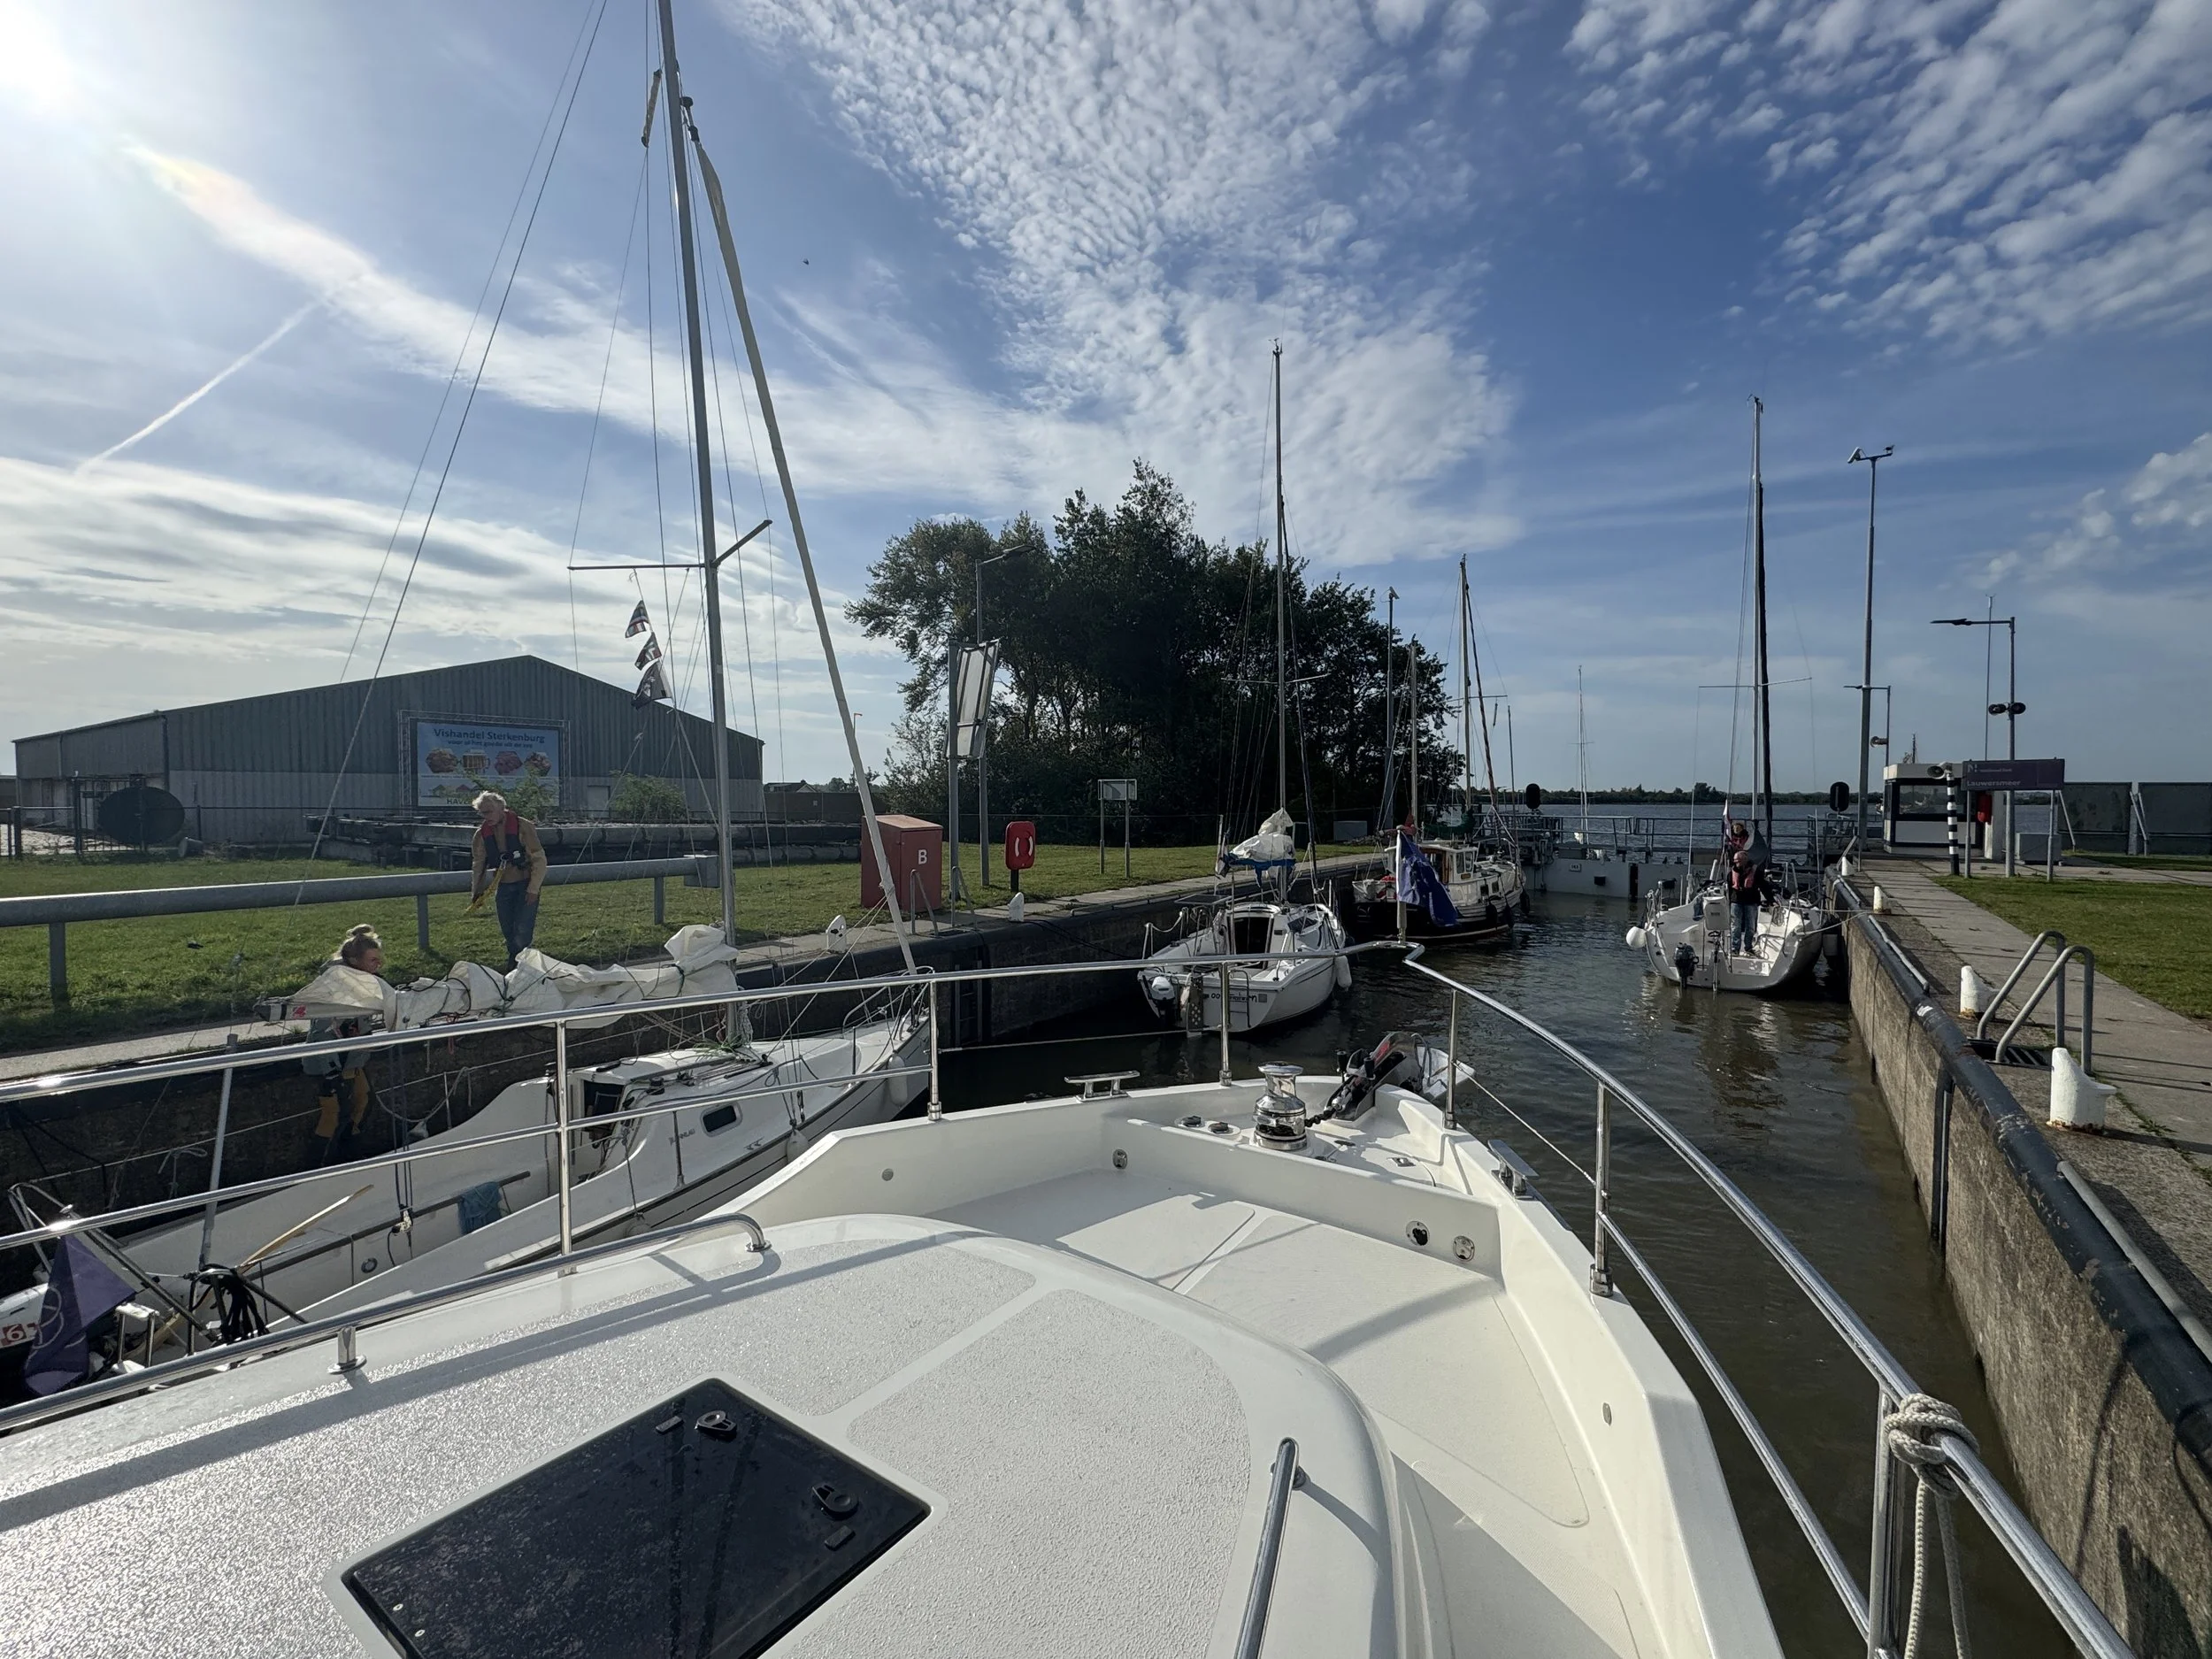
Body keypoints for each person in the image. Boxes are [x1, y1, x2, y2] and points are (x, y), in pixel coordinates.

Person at [305, 924, 384, 1159]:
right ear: (353, 961)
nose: (378, 966)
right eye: (372, 961)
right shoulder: (333, 990)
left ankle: (349, 1153)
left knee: (365, 1103)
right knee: (335, 1113)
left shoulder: (364, 982)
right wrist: (332, 1074)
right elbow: (322, 1034)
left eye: (379, 960)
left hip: (352, 1061)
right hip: (330, 1064)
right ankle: (319, 1164)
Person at [470, 789, 548, 969]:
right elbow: (479, 864)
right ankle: (519, 968)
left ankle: (516, 969)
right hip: (503, 886)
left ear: (501, 809)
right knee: (508, 932)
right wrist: (477, 892)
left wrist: (533, 889)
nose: (485, 816)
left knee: (522, 933)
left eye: (488, 812)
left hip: (525, 885)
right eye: (482, 813)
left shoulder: (523, 826)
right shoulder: (481, 834)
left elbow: (539, 858)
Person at [1726, 849, 1765, 955]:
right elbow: (1729, 886)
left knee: (1751, 926)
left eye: (1738, 860)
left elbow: (1763, 885)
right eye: (1735, 860)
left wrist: (1770, 899)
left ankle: (1748, 947)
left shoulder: (1755, 871)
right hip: (1736, 901)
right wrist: (1728, 900)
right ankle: (1735, 948)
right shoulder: (1732, 871)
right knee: (1735, 926)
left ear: (1744, 860)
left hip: (1751, 901)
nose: (1736, 863)